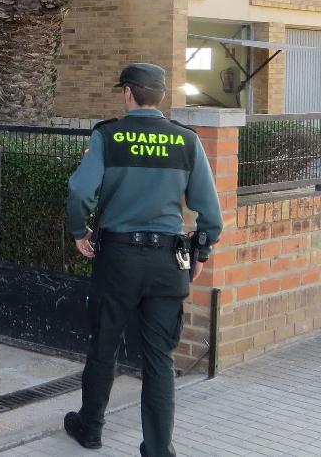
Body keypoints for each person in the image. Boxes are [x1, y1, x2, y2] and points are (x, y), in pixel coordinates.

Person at [62, 63, 223, 457]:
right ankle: (157, 449)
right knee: (158, 358)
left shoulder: (108, 135)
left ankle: (91, 429)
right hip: (168, 262)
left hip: (118, 258)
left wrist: (80, 231)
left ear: (128, 93)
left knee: (104, 346)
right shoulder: (186, 140)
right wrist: (201, 251)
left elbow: (80, 191)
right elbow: (210, 213)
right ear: (161, 96)